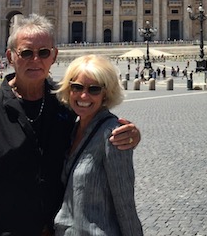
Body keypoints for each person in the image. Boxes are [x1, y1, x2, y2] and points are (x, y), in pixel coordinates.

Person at [0, 14, 140, 236]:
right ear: (10, 56)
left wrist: (132, 134)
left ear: (54, 56)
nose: (35, 60)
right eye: (26, 53)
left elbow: (97, 124)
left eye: (43, 53)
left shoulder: (66, 104)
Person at [54, 55, 143, 235]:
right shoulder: (70, 130)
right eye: (77, 87)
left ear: (105, 94)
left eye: (94, 89)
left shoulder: (114, 135)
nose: (84, 95)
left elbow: (125, 203)